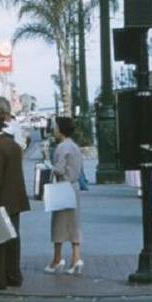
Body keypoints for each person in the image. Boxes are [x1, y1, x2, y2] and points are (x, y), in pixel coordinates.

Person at [0, 109, 30, 290]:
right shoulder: (13, 144)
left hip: (0, 201)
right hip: (16, 200)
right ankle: (13, 275)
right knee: (13, 239)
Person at [45, 117, 84, 276]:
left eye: (55, 128)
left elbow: (59, 169)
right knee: (74, 223)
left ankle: (57, 259)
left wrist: (49, 164)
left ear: (61, 130)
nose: (54, 131)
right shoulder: (75, 147)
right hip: (74, 187)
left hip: (62, 186)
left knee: (59, 224)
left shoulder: (61, 148)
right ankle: (76, 257)